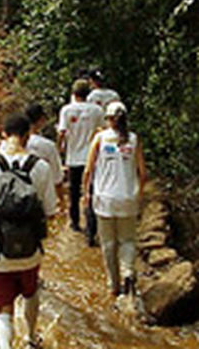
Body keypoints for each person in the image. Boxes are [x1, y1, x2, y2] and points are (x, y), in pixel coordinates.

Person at [0, 113, 57, 349]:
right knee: (30, 292)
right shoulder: (41, 167)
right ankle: (31, 338)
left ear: (3, 135)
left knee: (3, 308)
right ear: (28, 136)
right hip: (31, 252)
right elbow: (50, 211)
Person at [82, 102, 146, 297]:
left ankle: (114, 285)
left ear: (108, 119)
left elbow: (88, 170)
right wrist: (139, 193)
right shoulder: (134, 139)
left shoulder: (100, 139)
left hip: (104, 199)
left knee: (108, 243)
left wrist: (86, 193)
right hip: (128, 197)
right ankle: (128, 271)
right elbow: (142, 173)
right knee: (127, 240)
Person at [57, 79, 104, 234]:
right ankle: (92, 227)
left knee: (74, 192)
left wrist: (60, 148)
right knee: (92, 191)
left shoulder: (66, 110)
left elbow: (62, 132)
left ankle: (75, 222)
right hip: (92, 158)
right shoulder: (97, 110)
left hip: (73, 157)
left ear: (74, 93)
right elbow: (102, 131)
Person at [24, 103, 65, 209]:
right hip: (41, 196)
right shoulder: (48, 146)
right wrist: (61, 199)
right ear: (41, 120)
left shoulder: (8, 145)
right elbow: (57, 177)